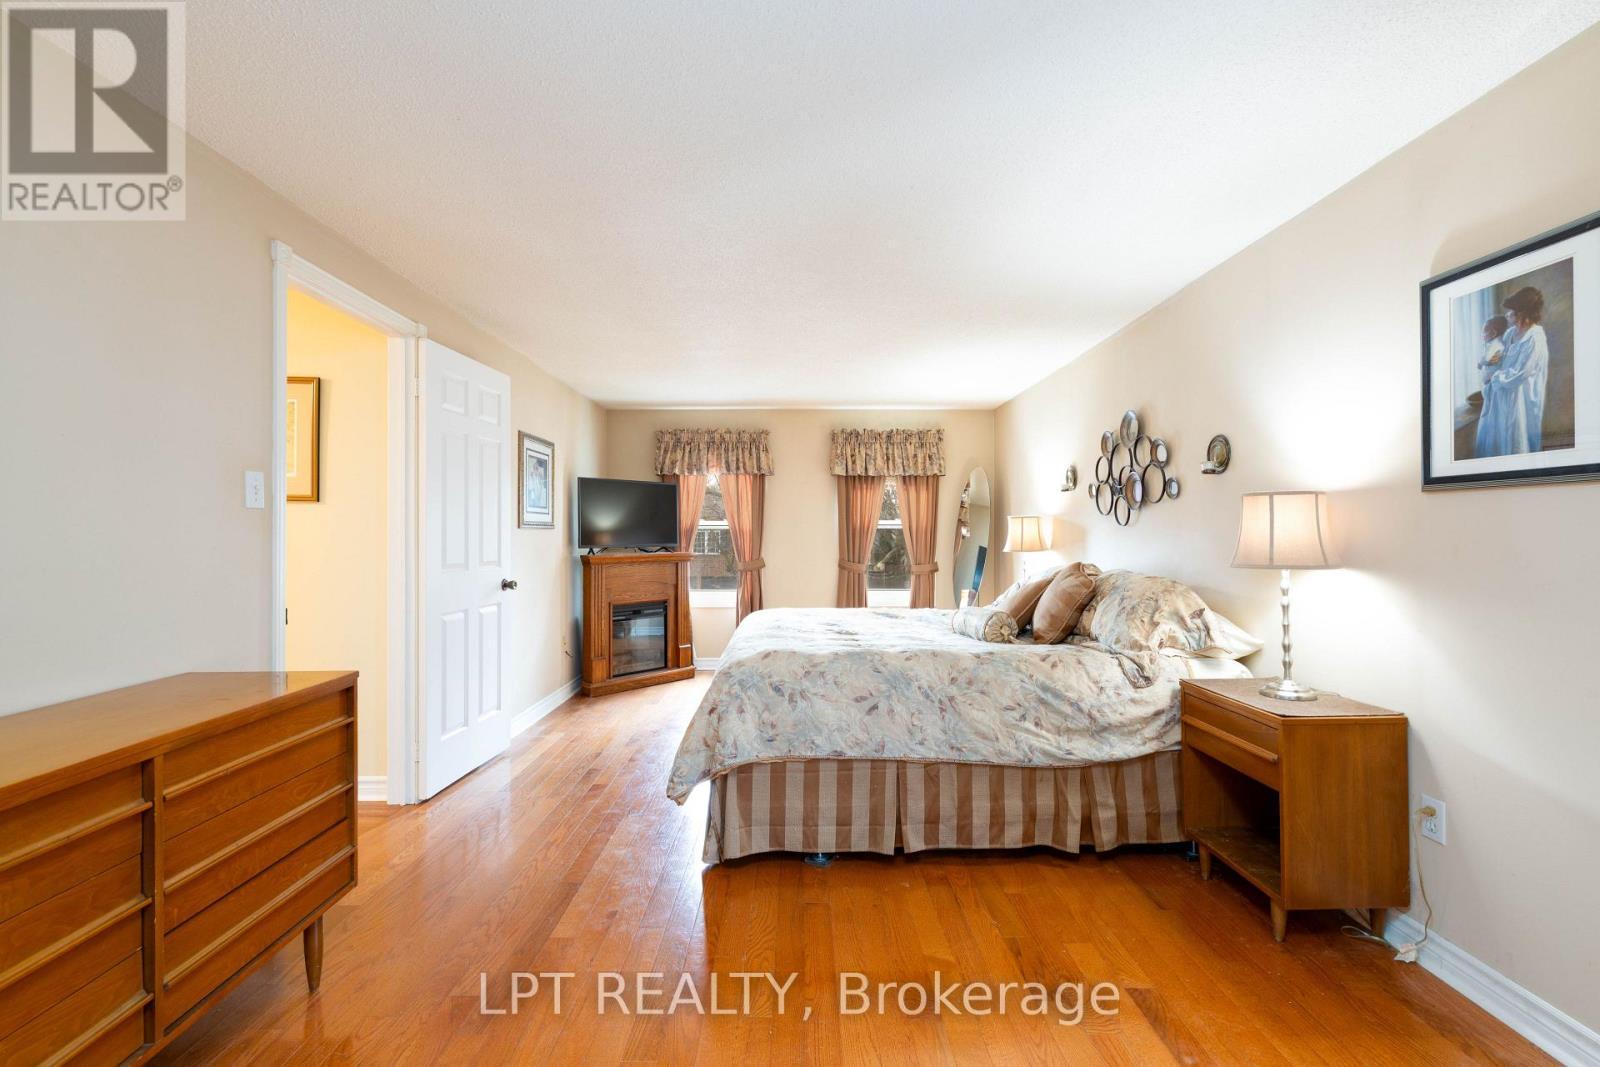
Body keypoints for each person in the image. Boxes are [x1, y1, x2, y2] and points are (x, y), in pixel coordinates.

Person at [1474, 287, 1550, 457]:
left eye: (1511, 311)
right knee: (1499, 441)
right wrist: (1490, 366)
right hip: (1503, 393)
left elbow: (1522, 372)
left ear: (1522, 313)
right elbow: (1499, 358)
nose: (1507, 315)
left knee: (1516, 438)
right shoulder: (1510, 334)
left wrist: (1495, 376)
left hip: (1520, 397)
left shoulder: (1535, 338)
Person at [1477, 314, 1509, 388]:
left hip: (1493, 381)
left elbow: (1493, 360)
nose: (1482, 334)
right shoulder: (1490, 344)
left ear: (1494, 333)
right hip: (1488, 380)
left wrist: (1481, 363)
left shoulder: (1498, 345)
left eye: (1484, 331)